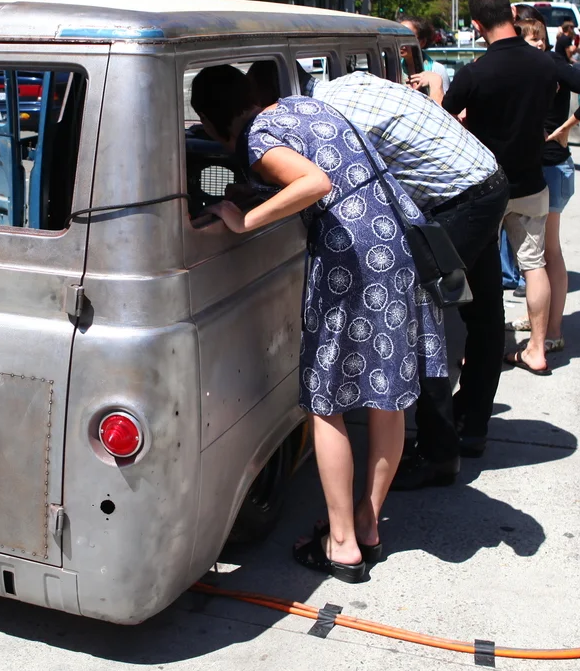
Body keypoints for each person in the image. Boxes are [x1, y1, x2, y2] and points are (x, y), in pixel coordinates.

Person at [192, 66, 448, 580]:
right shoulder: (304, 108)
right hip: (395, 245)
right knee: (386, 396)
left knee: (326, 401)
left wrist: (243, 219)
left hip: (351, 261)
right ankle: (367, 525)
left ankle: (342, 544)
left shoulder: (258, 138)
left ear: (211, 121)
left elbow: (315, 182)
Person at [310, 34, 508, 491]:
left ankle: (439, 453)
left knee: (418, 321)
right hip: (485, 176)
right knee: (482, 314)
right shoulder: (350, 85)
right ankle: (471, 425)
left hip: (458, 198)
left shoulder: (332, 123)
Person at [440, 0, 562, 446]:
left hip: (483, 191)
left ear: (475, 26)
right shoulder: (543, 64)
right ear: (511, 13)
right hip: (531, 181)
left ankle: (464, 404)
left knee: (482, 305)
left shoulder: (474, 72)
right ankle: (535, 349)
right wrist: (559, 128)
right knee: (532, 265)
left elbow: (442, 121)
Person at [508, 15, 580, 358]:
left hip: (552, 167)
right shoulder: (527, 68)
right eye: (529, 38)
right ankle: (539, 321)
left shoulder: (552, 65)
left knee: (548, 252)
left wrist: (569, 125)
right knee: (534, 253)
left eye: (540, 37)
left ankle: (553, 332)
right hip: (537, 169)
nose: (537, 43)